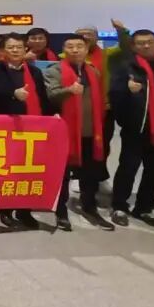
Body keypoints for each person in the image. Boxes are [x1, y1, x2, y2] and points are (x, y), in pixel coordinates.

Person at [45, 35, 113, 232]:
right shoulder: (54, 70)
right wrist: (69, 90)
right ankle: (61, 212)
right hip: (65, 132)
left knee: (90, 173)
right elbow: (51, 96)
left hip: (91, 130)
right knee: (63, 175)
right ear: (64, 50)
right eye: (70, 46)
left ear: (86, 49)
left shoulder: (93, 71)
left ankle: (89, 207)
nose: (75, 50)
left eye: (79, 46)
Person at [108, 30, 154, 228]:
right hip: (136, 129)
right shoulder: (126, 67)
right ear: (133, 47)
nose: (146, 46)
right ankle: (119, 206)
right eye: (141, 43)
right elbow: (114, 96)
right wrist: (128, 92)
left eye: (150, 42)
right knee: (128, 169)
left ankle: (144, 208)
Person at [0, 33, 46, 230]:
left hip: (31, 128)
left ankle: (25, 210)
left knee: (27, 170)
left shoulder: (34, 72)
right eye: (11, 47)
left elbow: (42, 97)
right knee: (8, 170)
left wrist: (51, 115)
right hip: (6, 126)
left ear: (25, 49)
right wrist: (13, 94)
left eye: (19, 47)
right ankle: (5, 210)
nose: (15, 50)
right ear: (4, 50)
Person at [72, 20, 131, 183]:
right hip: (78, 109)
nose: (85, 37)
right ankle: (78, 177)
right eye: (81, 34)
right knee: (79, 145)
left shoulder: (108, 54)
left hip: (104, 109)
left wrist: (122, 31)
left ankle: (99, 177)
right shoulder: (65, 57)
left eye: (89, 34)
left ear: (97, 37)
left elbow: (126, 47)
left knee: (102, 145)